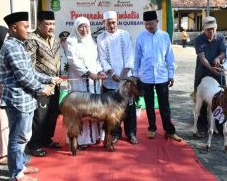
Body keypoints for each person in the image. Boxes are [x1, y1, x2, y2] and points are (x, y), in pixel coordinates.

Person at [0, 11, 61, 181]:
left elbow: (31, 72)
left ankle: (20, 166)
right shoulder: (12, 47)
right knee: (18, 138)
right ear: (14, 28)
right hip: (18, 100)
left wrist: (50, 78)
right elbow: (25, 77)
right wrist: (43, 89)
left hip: (24, 99)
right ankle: (16, 174)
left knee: (22, 136)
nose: (28, 30)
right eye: (25, 27)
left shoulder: (18, 45)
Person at [134, 10, 182, 142]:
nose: (149, 26)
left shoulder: (165, 36)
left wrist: (171, 75)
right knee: (149, 105)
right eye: (147, 24)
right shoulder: (141, 37)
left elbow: (170, 58)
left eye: (151, 23)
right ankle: (152, 128)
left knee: (164, 105)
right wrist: (134, 75)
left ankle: (169, 130)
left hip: (162, 77)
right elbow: (137, 58)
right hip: (146, 77)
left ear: (157, 22)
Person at [97, 11, 139, 144]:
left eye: (114, 22)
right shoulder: (100, 38)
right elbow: (102, 58)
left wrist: (125, 71)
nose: (112, 25)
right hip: (111, 79)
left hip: (126, 78)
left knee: (129, 107)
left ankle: (131, 133)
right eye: (109, 23)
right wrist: (112, 73)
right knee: (112, 108)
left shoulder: (125, 35)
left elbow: (130, 54)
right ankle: (115, 133)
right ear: (104, 23)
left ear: (117, 21)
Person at [65, 17, 107, 149]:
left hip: (93, 82)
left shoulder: (92, 41)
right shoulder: (71, 41)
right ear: (76, 28)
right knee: (80, 110)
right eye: (81, 27)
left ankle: (93, 137)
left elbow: (97, 60)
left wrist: (100, 71)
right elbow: (73, 61)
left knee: (93, 110)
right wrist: (88, 73)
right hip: (80, 82)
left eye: (87, 26)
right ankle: (81, 141)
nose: (84, 29)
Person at [25, 11, 61, 157]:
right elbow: (29, 67)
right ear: (39, 24)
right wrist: (39, 85)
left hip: (55, 84)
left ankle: (46, 139)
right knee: (39, 117)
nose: (51, 27)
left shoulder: (54, 39)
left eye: (52, 24)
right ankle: (33, 145)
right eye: (47, 24)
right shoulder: (32, 39)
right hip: (41, 86)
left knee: (52, 114)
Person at [194, 16, 226, 137]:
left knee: (220, 99)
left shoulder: (221, 37)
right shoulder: (199, 39)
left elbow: (223, 53)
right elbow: (202, 58)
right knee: (201, 100)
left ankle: (219, 126)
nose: (211, 32)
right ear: (203, 29)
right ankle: (202, 127)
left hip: (218, 71)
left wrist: (219, 58)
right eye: (208, 29)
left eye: (213, 29)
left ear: (216, 28)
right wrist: (210, 68)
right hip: (203, 71)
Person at [0, 25, 8, 165]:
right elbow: (1, 83)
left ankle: (1, 153)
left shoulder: (0, 53)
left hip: (0, 99)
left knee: (2, 121)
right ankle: (0, 155)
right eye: (4, 37)